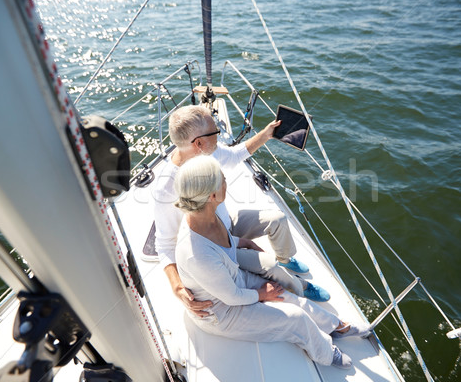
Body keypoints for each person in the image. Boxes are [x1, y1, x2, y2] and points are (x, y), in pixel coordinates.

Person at [173, 155, 369, 369]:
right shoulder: (197, 254)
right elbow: (232, 297)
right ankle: (326, 354)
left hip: (233, 280)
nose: (225, 180)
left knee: (291, 297)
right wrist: (262, 295)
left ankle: (337, 326)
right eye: (222, 179)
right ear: (211, 195)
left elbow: (224, 247)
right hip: (221, 312)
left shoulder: (206, 215)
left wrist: (241, 241)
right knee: (295, 318)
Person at [151, 105, 329, 318]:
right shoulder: (166, 188)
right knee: (268, 269)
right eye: (215, 131)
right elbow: (164, 244)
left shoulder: (210, 151)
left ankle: (285, 258)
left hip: (228, 226)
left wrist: (267, 134)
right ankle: (298, 286)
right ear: (198, 143)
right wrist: (177, 287)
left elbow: (236, 155)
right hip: (214, 246)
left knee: (277, 219)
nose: (219, 135)